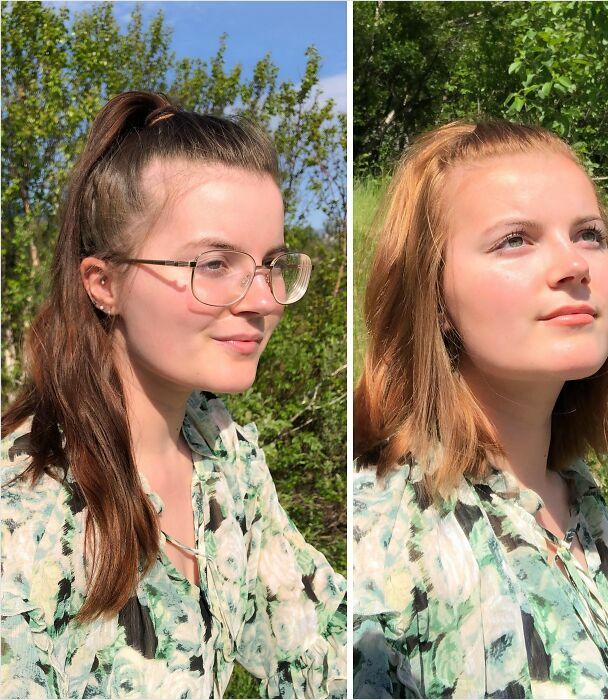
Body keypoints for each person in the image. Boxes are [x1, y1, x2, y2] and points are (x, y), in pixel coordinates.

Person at [1, 91, 346, 699]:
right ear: (104, 284)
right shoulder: (23, 511)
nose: (263, 299)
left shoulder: (222, 447)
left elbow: (312, 636)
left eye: (270, 263)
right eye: (214, 264)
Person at [353, 120, 608, 699]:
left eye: (590, 235)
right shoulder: (386, 537)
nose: (575, 265)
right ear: (434, 296)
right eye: (515, 240)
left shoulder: (578, 498)